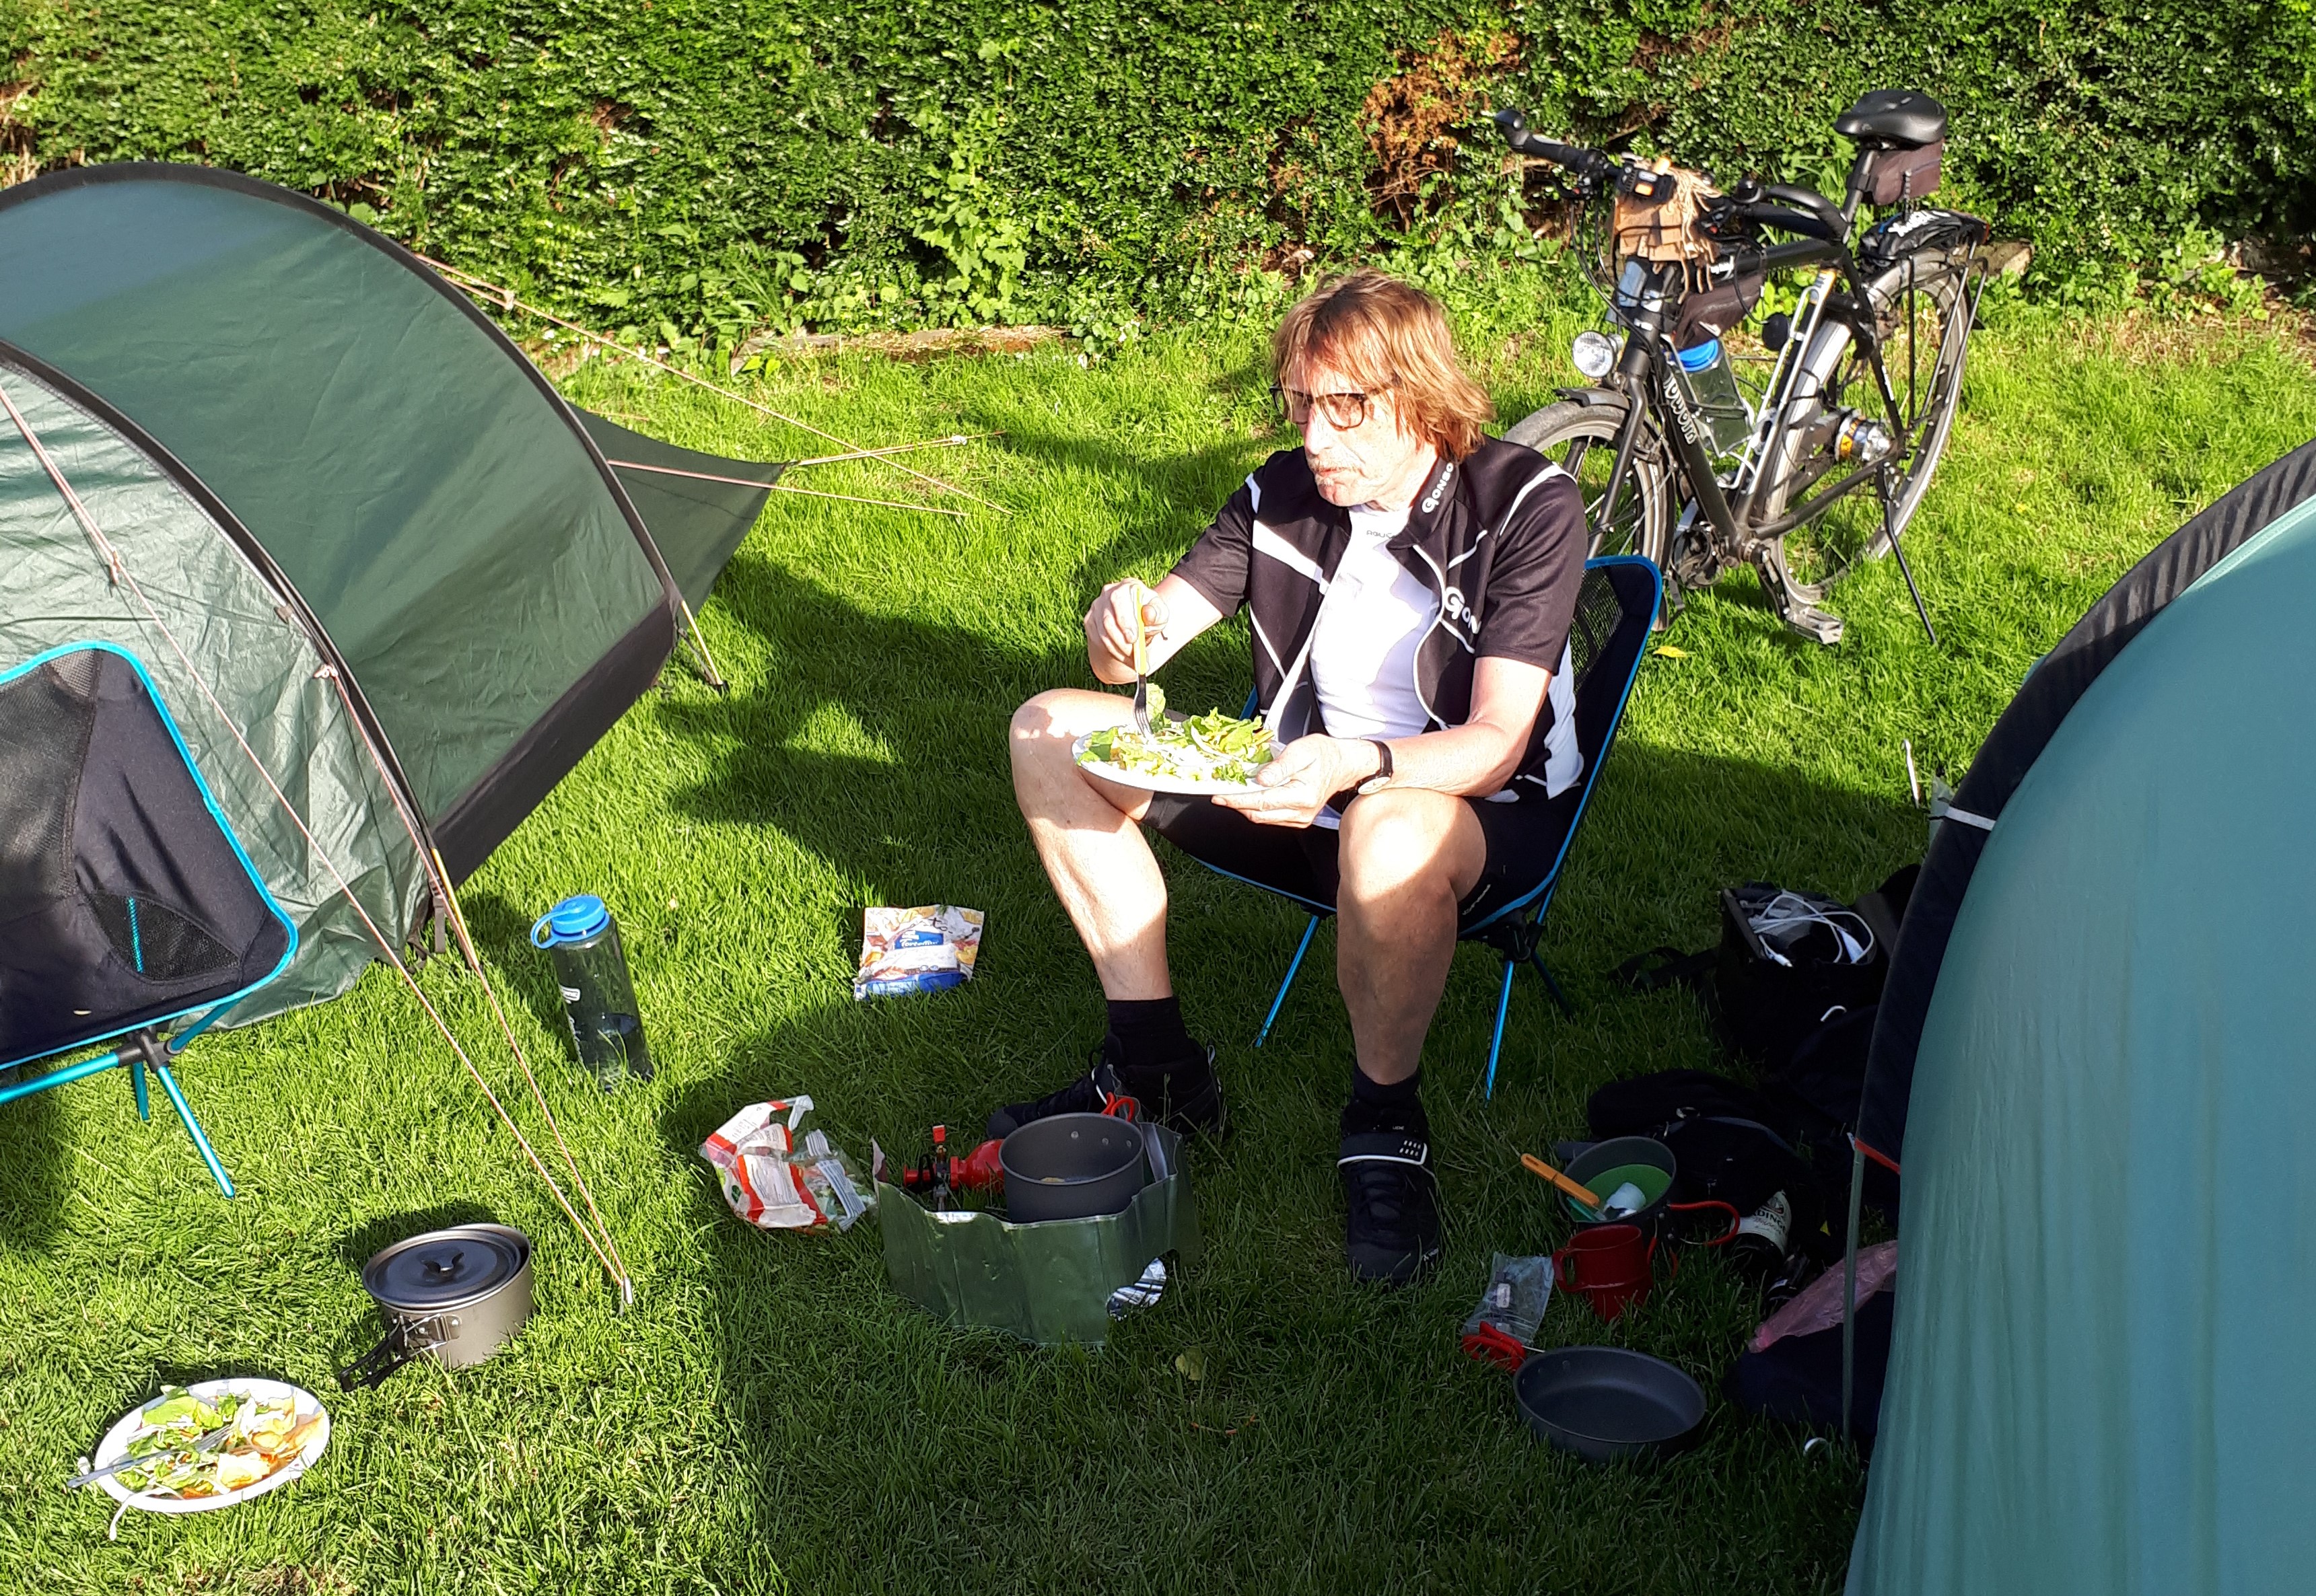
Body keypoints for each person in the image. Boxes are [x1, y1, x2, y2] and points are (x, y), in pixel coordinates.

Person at [1003, 268, 1587, 1284]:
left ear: (1420, 395)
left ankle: (1384, 1125)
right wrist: (1116, 630)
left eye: (1344, 408)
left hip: (1471, 808)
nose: (1315, 437)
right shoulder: (1282, 491)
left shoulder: (1524, 503)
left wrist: (1357, 766)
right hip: (1293, 784)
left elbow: (1497, 741)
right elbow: (1145, 647)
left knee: (1386, 827)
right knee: (1047, 730)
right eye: (1301, 404)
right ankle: (1157, 1068)